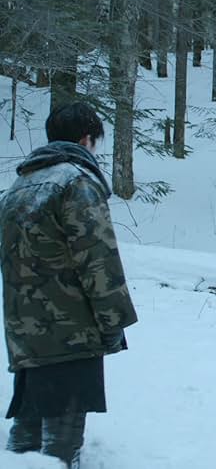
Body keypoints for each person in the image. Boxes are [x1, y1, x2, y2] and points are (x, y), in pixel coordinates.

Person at [1, 102, 138, 468]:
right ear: (87, 138)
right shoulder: (76, 181)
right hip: (70, 331)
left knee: (26, 437)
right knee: (62, 443)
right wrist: (113, 323)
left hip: (25, 332)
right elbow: (98, 258)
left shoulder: (21, 185)